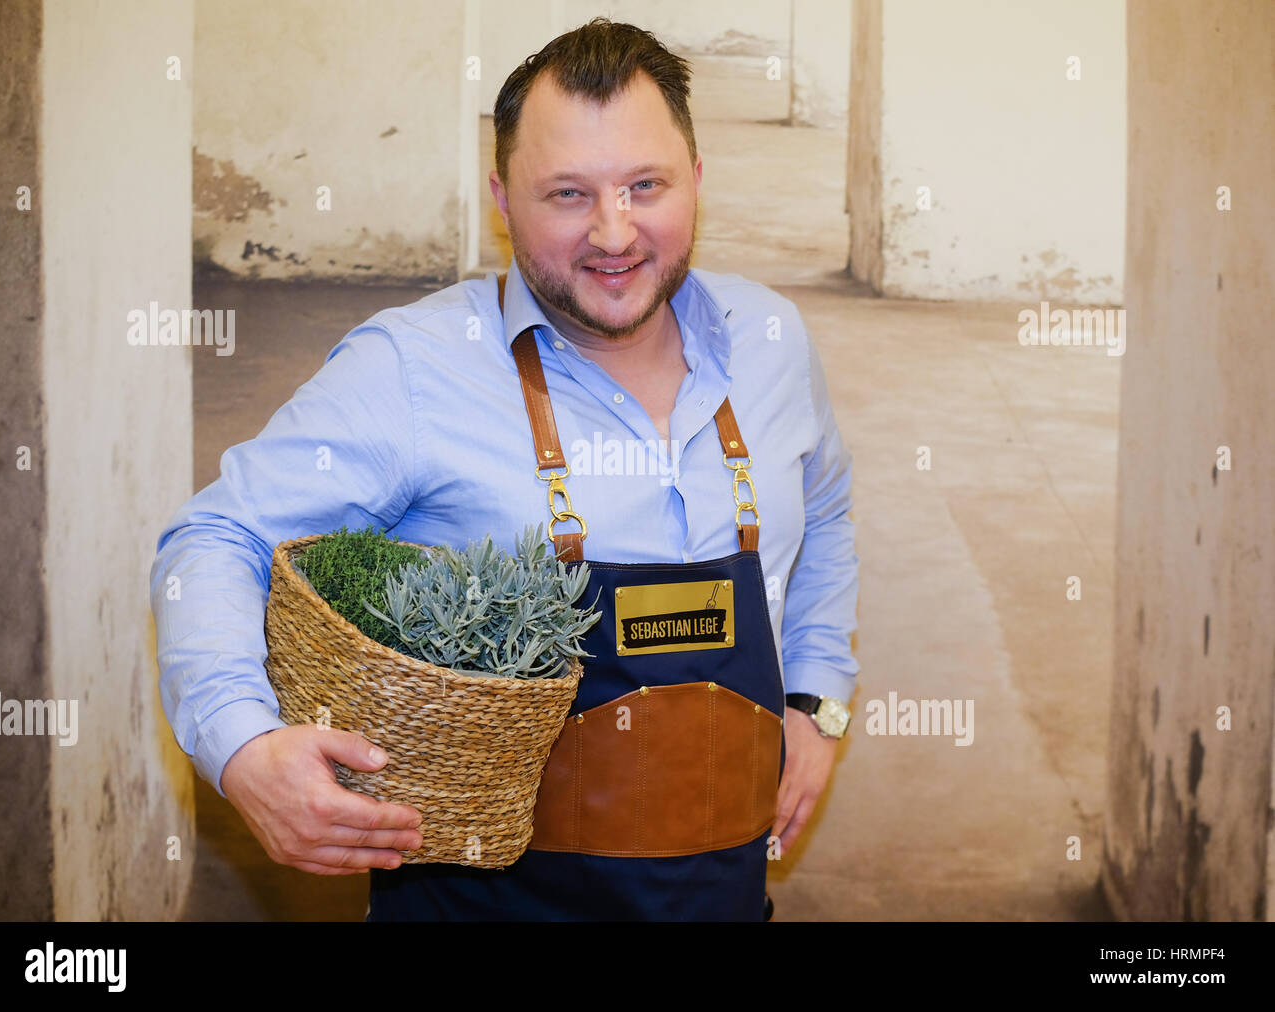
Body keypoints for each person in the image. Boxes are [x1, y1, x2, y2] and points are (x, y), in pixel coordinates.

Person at [150, 17, 859, 921]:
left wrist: (815, 697)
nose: (615, 232)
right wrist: (241, 745)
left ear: (698, 178)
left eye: (647, 185)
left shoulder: (772, 343)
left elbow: (828, 510)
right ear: (502, 199)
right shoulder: (412, 369)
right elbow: (217, 533)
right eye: (568, 194)